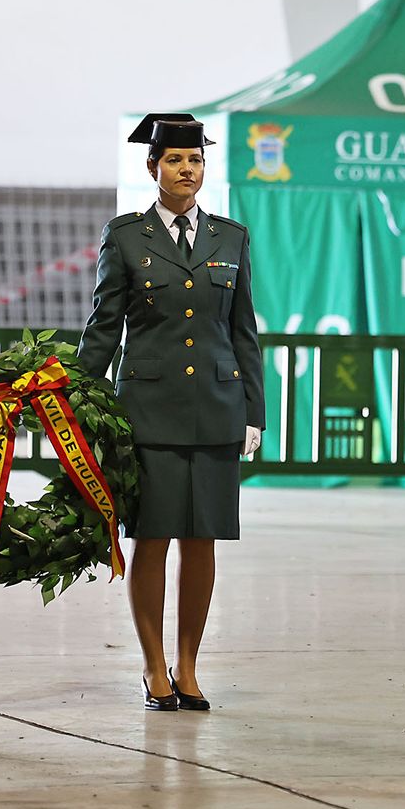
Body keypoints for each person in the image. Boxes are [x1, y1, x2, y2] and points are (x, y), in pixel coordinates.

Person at [78, 113, 265, 712]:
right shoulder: (127, 236)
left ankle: (189, 665)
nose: (188, 170)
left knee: (203, 539)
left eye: (196, 161)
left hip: (216, 405)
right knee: (152, 537)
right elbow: (105, 326)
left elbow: (243, 331)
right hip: (148, 410)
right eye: (176, 161)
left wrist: (253, 413)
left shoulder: (230, 237)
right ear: (152, 168)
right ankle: (154, 668)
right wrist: (81, 399)